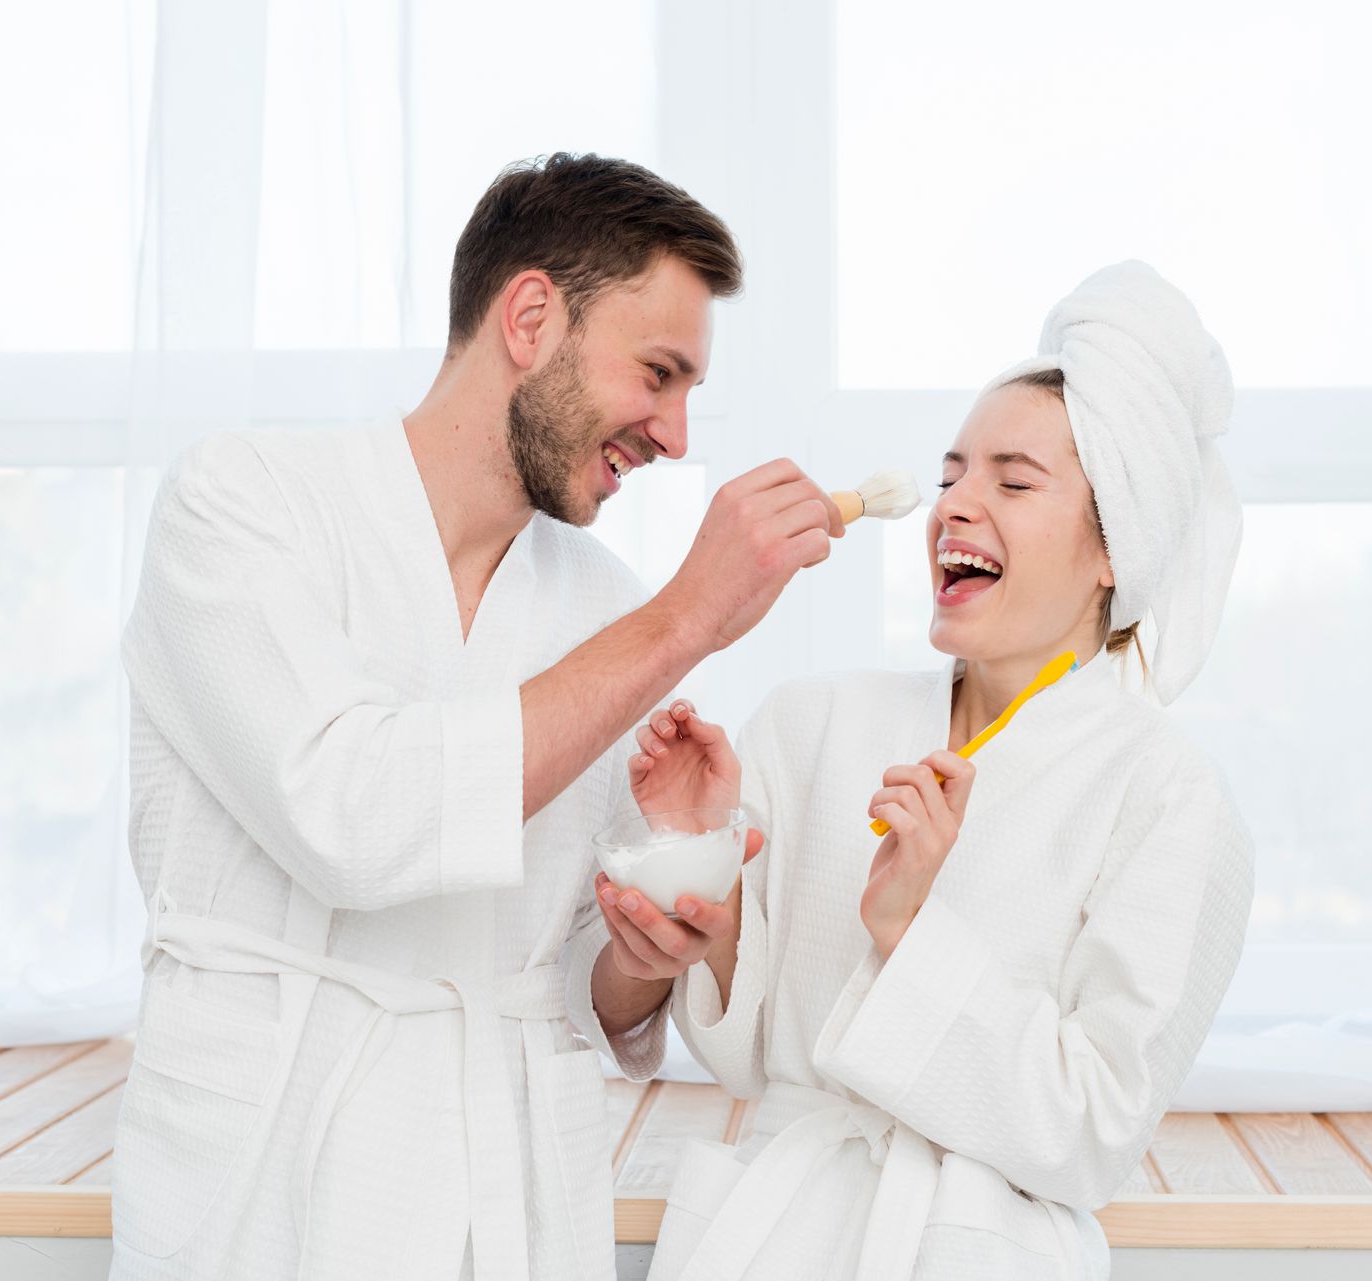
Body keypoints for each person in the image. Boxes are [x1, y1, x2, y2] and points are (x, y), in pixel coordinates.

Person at [110, 152, 842, 1281]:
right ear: (533, 316)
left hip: (496, 1191)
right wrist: (688, 619)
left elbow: (577, 975)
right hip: (268, 1175)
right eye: (659, 372)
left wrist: (648, 941)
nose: (678, 434)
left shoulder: (597, 605)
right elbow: (350, 815)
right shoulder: (242, 506)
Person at [587, 262, 1255, 1279]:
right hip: (776, 1227)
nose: (956, 506)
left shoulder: (1169, 799)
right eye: (950, 476)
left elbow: (1093, 1134)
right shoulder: (812, 722)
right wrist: (704, 882)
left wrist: (909, 934)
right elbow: (733, 1040)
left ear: (1116, 542)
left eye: (1013, 481)